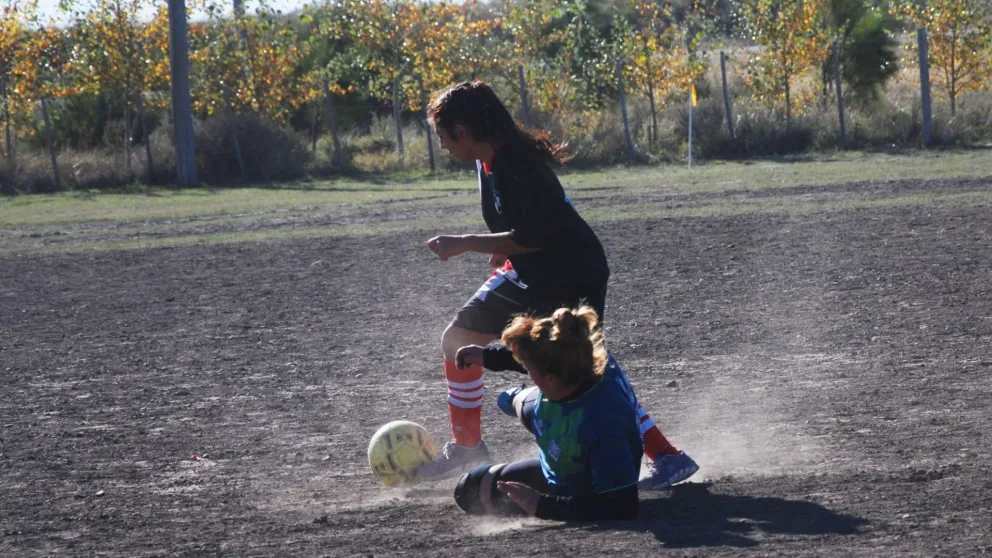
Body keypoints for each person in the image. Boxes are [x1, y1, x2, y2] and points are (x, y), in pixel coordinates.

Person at [416, 80, 697, 490]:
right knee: (457, 339)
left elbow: (532, 237)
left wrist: (464, 244)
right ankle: (468, 446)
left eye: (441, 135)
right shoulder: (487, 161)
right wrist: (500, 250)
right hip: (530, 268)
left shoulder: (517, 167)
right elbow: (520, 229)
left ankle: (667, 455)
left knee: (580, 367)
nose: (441, 144)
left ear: (461, 130)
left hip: (571, 272)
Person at [453, 306, 641, 520]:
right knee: (469, 486)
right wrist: (489, 357)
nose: (527, 370)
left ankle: (514, 397)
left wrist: (541, 504)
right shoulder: (579, 356)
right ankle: (513, 397)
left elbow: (623, 507)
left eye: (529, 369)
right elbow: (544, 354)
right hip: (559, 409)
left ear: (550, 378)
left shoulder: (600, 426)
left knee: (474, 490)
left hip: (579, 480)